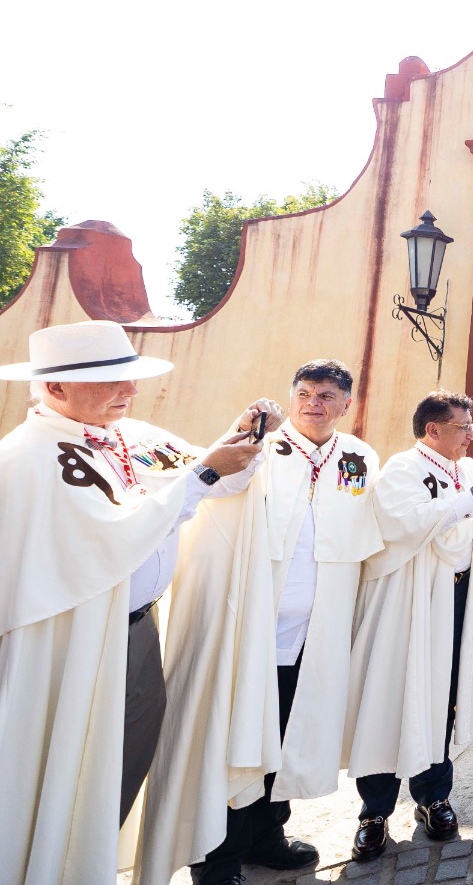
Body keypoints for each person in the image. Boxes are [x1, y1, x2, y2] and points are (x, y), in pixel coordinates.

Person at [0, 321, 264, 885]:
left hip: (136, 632)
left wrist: (241, 440)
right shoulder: (32, 456)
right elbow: (113, 538)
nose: (129, 390)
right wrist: (207, 469)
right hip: (73, 647)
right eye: (110, 379)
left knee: (122, 761)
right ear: (55, 389)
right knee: (71, 769)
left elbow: (210, 479)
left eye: (129, 376)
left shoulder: (127, 436)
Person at [137, 360, 386, 885]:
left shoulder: (360, 456)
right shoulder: (263, 447)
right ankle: (216, 856)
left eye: (325, 395)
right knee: (237, 740)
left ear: (347, 402)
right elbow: (221, 489)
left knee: (285, 739)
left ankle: (266, 836)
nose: (313, 403)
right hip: (253, 628)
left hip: (316, 631)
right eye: (303, 393)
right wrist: (247, 430)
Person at [344, 392, 473, 860]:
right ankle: (375, 812)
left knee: (441, 699)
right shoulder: (402, 470)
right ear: (433, 429)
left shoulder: (471, 471)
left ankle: (434, 798)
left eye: (471, 425)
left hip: (456, 598)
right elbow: (404, 525)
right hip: (410, 602)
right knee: (395, 696)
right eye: (464, 426)